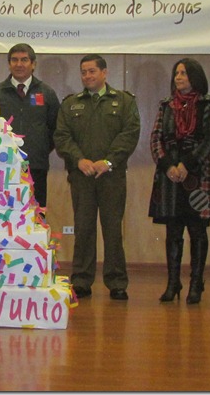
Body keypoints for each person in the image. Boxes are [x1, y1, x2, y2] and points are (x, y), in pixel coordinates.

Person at [54, 54, 140, 300]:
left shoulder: (123, 101)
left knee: (113, 230)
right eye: (83, 72)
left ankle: (116, 282)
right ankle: (81, 280)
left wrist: (109, 161)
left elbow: (130, 133)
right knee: (83, 229)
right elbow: (62, 137)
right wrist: (78, 159)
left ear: (104, 73)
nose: (87, 76)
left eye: (92, 71)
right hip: (82, 176)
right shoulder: (71, 104)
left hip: (112, 176)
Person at [148, 58, 210, 304]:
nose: (179, 77)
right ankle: (173, 282)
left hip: (196, 173)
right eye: (177, 73)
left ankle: (196, 283)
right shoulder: (165, 104)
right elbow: (155, 138)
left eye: (184, 73)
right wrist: (167, 165)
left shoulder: (207, 104)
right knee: (173, 230)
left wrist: (186, 165)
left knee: (197, 230)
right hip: (169, 176)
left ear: (195, 77)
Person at [0, 43, 60, 209]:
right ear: (9, 64)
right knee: (5, 214)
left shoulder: (46, 92)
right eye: (14, 60)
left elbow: (56, 128)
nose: (19, 64)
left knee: (36, 214)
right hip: (4, 166)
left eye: (24, 60)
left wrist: (40, 147)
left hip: (36, 164)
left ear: (33, 64)